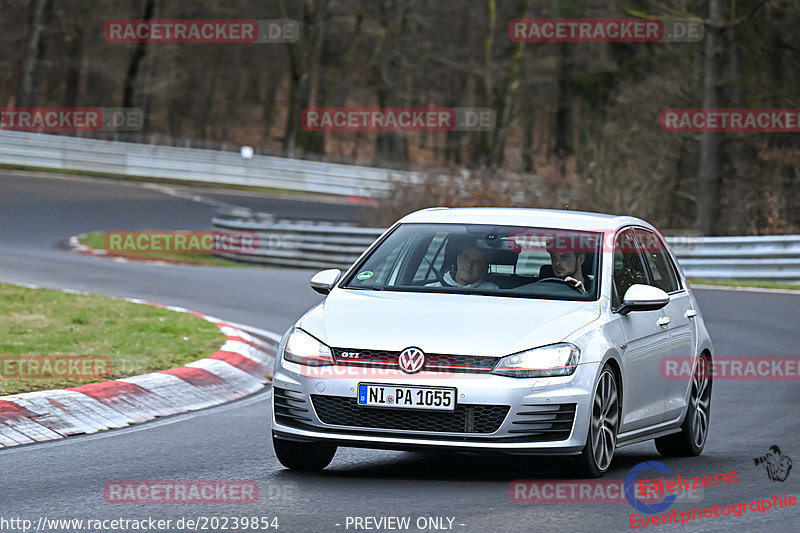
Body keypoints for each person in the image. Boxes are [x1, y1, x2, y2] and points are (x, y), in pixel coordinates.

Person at [427, 242, 498, 290]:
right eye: (466, 257)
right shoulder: (431, 289)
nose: (469, 264)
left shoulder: (492, 290)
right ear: (458, 259)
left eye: (476, 262)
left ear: (484, 269)